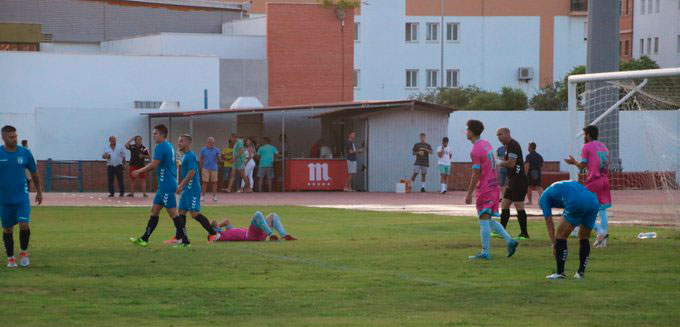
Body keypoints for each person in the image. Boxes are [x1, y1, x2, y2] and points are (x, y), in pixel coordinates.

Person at [464, 120, 518, 260]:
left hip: (485, 187)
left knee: (483, 219)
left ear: (471, 132)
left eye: (467, 129)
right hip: (493, 185)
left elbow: (476, 174)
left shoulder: (475, 150)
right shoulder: (486, 144)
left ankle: (485, 252)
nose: (466, 132)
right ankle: (510, 241)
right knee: (487, 219)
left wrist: (469, 194)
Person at [129, 124, 190, 248]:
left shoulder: (161, 147)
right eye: (153, 133)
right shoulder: (167, 146)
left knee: (173, 213)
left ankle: (185, 240)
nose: (153, 136)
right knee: (154, 211)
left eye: (155, 133)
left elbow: (154, 164)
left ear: (162, 135)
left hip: (167, 185)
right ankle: (144, 239)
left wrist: (139, 171)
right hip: (164, 185)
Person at [164, 134, 220, 244]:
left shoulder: (190, 156)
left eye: (181, 141)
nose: (179, 143)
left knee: (194, 214)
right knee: (181, 212)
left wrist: (181, 185)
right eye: (179, 141)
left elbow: (192, 172)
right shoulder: (185, 156)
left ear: (188, 143)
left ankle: (214, 233)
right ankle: (179, 237)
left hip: (192, 188)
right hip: (187, 189)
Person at [1, 125, 43, 268]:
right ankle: (10, 258)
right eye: (11, 137)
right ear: (3, 138)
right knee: (7, 229)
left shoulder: (25, 153)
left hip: (21, 198)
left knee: (24, 224)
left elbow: (35, 173)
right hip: (4, 199)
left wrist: (39, 191)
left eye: (15, 136)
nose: (14, 139)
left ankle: (24, 253)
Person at [539, 180, 599, 279]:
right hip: (593, 200)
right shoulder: (560, 187)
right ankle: (580, 273)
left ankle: (560, 272)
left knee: (560, 236)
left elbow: (549, 222)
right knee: (584, 237)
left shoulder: (543, 199)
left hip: (576, 201)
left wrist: (554, 243)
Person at [565, 125, 612, 248]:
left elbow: (582, 166)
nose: (584, 137)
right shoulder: (604, 147)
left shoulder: (587, 146)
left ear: (588, 135)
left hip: (594, 181)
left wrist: (573, 162)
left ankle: (600, 232)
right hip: (605, 180)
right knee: (602, 210)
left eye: (585, 135)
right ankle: (603, 241)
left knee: (582, 208)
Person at [496, 128, 530, 240]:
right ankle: (501, 232)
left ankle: (524, 234)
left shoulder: (513, 145)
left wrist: (499, 162)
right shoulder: (508, 146)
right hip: (512, 180)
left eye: (500, 134)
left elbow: (511, 164)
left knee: (519, 206)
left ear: (507, 134)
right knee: (504, 204)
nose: (498, 137)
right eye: (497, 135)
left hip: (518, 180)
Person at [211, 211, 297, 242]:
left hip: (258, 234)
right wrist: (216, 228)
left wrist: (218, 226)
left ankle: (284, 235)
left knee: (273, 216)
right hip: (250, 235)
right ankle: (271, 235)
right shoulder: (220, 235)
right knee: (257, 214)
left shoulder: (228, 231)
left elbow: (226, 220)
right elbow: (213, 224)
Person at [200, 137, 221, 201]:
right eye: (210, 142)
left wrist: (218, 156)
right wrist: (201, 167)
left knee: (214, 182)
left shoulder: (217, 150)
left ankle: (214, 196)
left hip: (214, 168)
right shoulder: (203, 149)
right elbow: (201, 159)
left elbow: (220, 160)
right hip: (205, 168)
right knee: (204, 182)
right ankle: (202, 196)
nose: (212, 143)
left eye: (213, 142)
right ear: (208, 142)